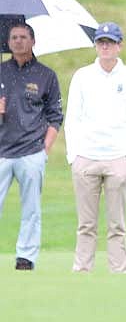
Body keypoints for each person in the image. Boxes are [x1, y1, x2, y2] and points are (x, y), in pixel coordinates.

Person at [64, 22, 126, 273]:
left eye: (110, 42)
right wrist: (73, 156)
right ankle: (82, 269)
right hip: (86, 158)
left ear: (119, 46)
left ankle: (118, 271)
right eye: (101, 42)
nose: (105, 47)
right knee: (86, 224)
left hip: (117, 159)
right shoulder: (82, 76)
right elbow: (73, 118)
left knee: (117, 224)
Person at [0, 22, 63, 271]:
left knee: (31, 209)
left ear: (33, 41)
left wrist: (44, 150)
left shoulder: (46, 75)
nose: (18, 41)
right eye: (13, 37)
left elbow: (55, 116)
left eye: (23, 37)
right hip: (1, 152)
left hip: (31, 152)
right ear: (8, 42)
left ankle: (25, 257)